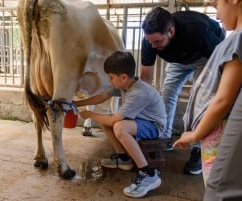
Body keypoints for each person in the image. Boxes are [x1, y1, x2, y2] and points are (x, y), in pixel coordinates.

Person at [140, 6, 225, 175]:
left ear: (171, 31)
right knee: (167, 93)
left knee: (201, 100)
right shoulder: (150, 41)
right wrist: (143, 107)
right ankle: (164, 137)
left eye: (157, 42)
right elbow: (146, 79)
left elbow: (220, 62)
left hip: (205, 57)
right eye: (150, 42)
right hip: (178, 61)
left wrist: (204, 88)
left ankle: (198, 149)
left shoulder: (198, 31)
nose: (153, 45)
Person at [73, 51, 167, 198]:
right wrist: (76, 103)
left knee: (118, 126)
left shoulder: (138, 92)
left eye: (111, 78)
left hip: (155, 126)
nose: (110, 81)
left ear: (123, 77)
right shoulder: (125, 84)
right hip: (142, 121)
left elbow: (114, 120)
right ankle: (124, 160)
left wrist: (90, 115)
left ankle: (149, 174)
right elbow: (100, 98)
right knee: (107, 120)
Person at [173, 0, 242, 185]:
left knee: (215, 185)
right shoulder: (234, 39)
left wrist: (195, 135)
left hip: (218, 131)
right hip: (215, 129)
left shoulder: (238, 40)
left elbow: (223, 99)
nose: (217, 16)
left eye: (215, 5)